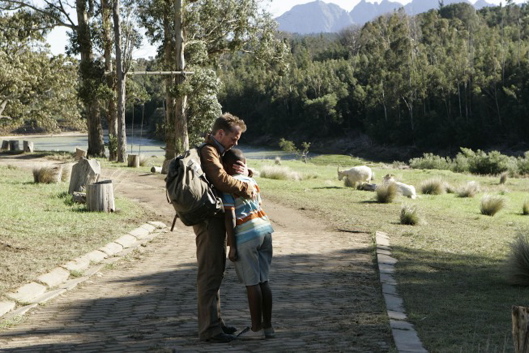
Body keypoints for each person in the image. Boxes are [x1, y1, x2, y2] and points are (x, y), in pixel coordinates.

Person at [193, 112, 256, 343]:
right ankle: (209, 330)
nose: (236, 143)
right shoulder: (209, 152)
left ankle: (215, 322)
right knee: (209, 273)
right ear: (220, 133)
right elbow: (220, 180)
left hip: (214, 219)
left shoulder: (217, 152)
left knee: (216, 271)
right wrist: (245, 187)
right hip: (208, 221)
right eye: (234, 137)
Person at [221, 148, 275, 340]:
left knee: (251, 283)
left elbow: (230, 216)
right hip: (265, 231)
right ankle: (268, 327)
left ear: (226, 166)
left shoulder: (229, 186)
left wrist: (232, 245)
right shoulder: (251, 180)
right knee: (263, 281)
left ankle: (255, 329)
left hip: (246, 236)